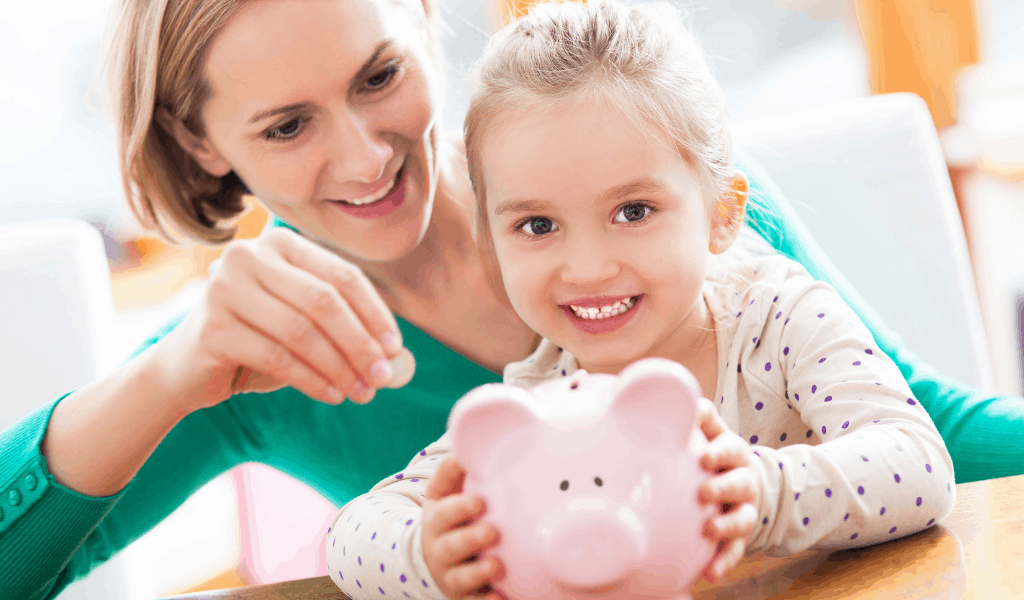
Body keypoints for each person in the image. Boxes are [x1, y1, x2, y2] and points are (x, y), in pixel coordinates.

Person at [1, 0, 1021, 598]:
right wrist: (168, 379)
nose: (364, 158)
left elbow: (929, 441)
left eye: (378, 75)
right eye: (284, 128)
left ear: (425, 23)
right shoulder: (258, 351)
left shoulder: (658, 193)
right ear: (199, 144)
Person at [324, 2, 956, 598]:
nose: (590, 267)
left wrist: (761, 495)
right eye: (538, 226)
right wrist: (430, 555)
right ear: (491, 245)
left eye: (634, 211)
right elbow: (351, 534)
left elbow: (919, 464)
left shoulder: (781, 319)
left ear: (721, 214)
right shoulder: (534, 404)